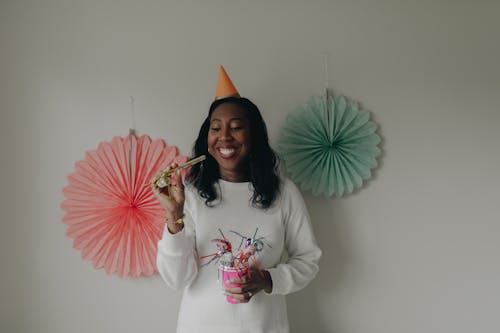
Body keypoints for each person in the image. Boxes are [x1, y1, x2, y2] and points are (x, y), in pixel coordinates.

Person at [153, 66, 321, 333]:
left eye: (236, 127)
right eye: (215, 128)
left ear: (253, 136)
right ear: (206, 138)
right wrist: (174, 217)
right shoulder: (191, 195)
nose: (224, 137)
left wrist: (268, 279)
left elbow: (308, 260)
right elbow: (175, 279)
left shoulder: (284, 193)